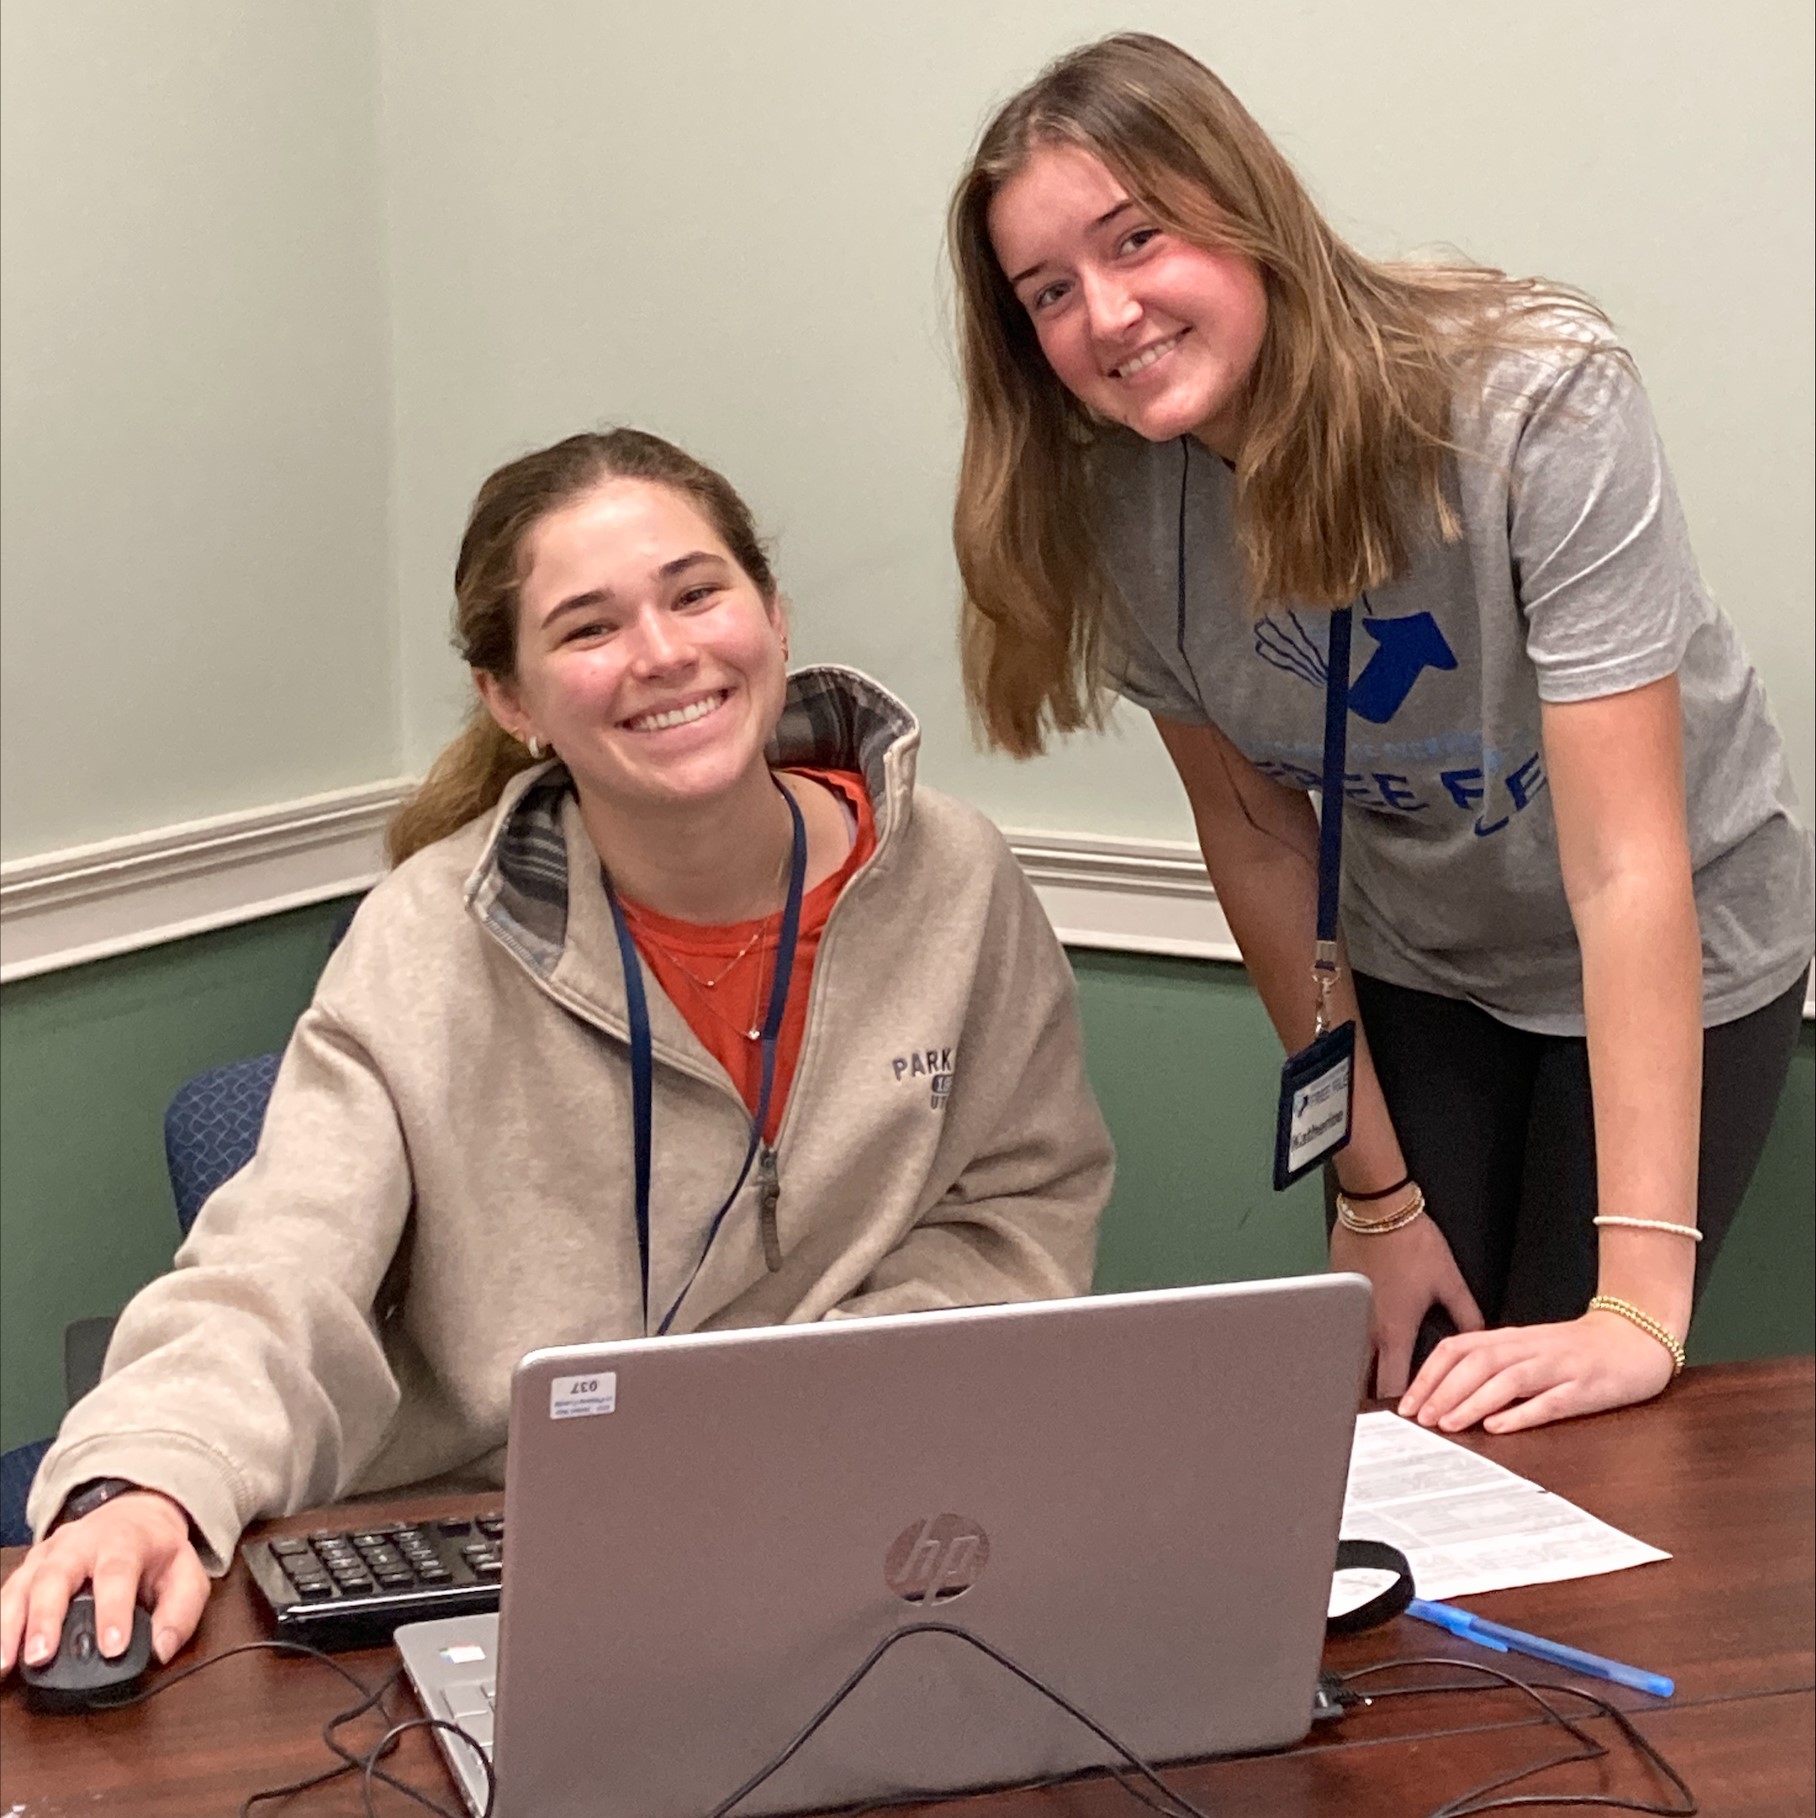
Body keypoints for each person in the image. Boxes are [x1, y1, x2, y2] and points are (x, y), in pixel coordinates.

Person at [1, 428, 1111, 1679]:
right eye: (588, 629)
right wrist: (151, 1475)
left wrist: (809, 1396)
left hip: (853, 1512)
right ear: (512, 701)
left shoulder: (953, 880)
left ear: (774, 616)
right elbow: (280, 1265)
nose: (663, 653)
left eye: (697, 593)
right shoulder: (424, 938)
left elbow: (1019, 1205)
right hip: (493, 1547)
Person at [949, 34, 1812, 1435]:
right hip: (1422, 960)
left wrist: (1639, 1306)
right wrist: (1373, 1191)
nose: (1105, 312)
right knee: (1409, 1393)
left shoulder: (1537, 399)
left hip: (1679, 933)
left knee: (1571, 1403)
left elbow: (1626, 864)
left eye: (1138, 238)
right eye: (1051, 290)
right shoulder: (1112, 506)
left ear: (1247, 207)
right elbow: (1258, 843)